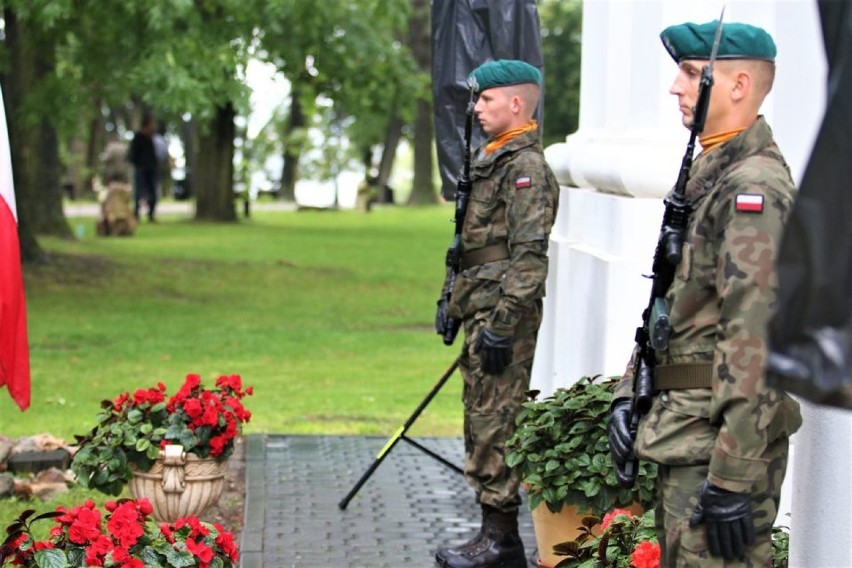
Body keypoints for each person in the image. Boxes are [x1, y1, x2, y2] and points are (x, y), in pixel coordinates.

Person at [607, 21, 803, 566]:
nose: (676, 86)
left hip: (717, 446)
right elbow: (672, 308)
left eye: (693, 74)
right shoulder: (709, 173)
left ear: (738, 85)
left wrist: (733, 476)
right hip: (685, 432)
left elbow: (756, 337)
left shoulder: (752, 188)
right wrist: (629, 392)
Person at [434, 59, 560, 568]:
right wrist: (452, 300)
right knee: (480, 417)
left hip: (502, 320)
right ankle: (491, 531)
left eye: (486, 99)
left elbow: (529, 257)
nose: (476, 107)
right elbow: (469, 245)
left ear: (515, 103)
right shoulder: (492, 160)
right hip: (481, 308)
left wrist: (503, 325)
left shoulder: (526, 169)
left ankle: (502, 540)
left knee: (496, 421)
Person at [128, 116, 159, 222]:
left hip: (151, 169)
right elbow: (132, 154)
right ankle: (136, 214)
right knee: (139, 193)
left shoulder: (151, 138)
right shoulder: (138, 138)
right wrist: (139, 164)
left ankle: (151, 214)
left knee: (153, 192)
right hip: (141, 169)